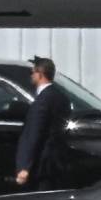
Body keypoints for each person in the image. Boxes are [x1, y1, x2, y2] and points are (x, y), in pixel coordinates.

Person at [15, 57, 72, 191]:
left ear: (40, 74)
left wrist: (24, 167)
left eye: (32, 72)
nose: (31, 76)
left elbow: (34, 134)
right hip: (57, 162)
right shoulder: (61, 97)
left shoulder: (43, 101)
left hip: (42, 164)